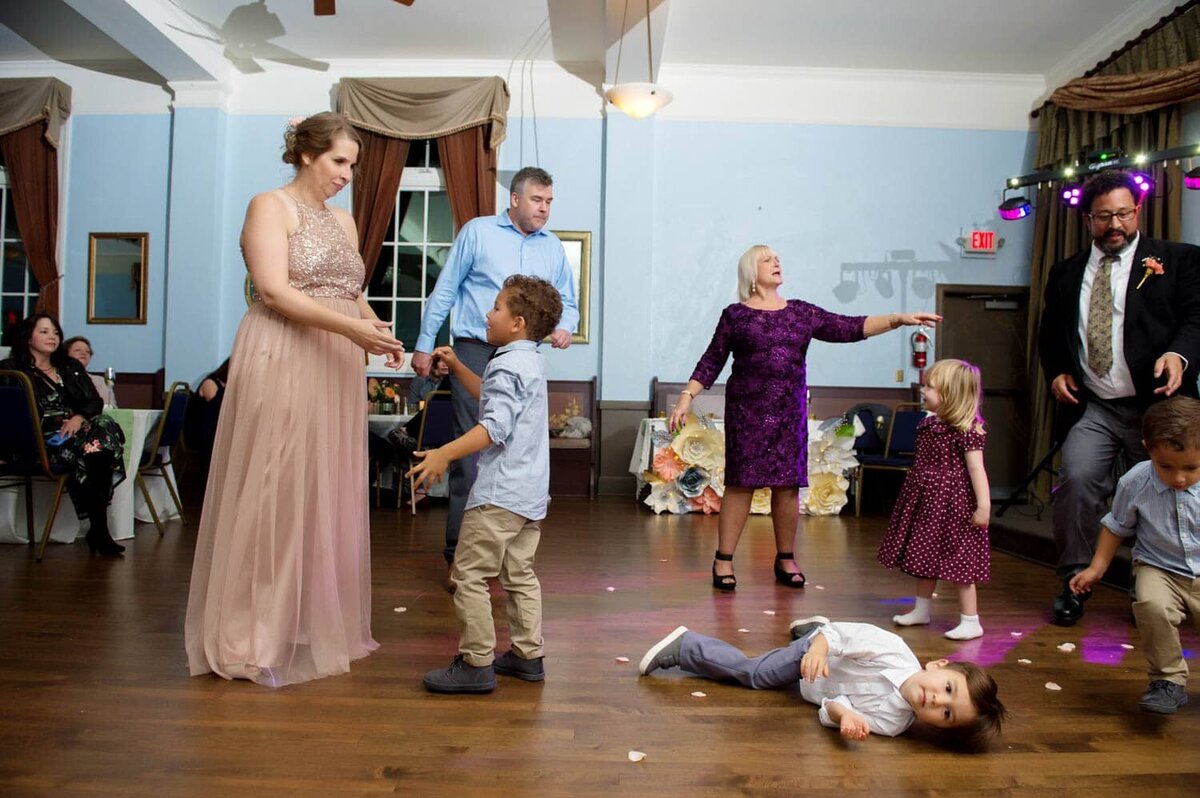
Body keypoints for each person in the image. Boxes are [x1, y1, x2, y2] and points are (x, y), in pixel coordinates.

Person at [185, 112, 405, 687]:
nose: (346, 175)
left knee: (322, 488)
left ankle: (302, 621)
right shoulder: (269, 206)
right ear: (307, 154)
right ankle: (243, 633)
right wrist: (351, 331)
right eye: (339, 161)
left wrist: (374, 327)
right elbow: (275, 292)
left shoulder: (347, 220)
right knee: (270, 488)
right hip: (282, 353)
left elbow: (349, 294)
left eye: (352, 165)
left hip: (333, 361)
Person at [671, 245, 941, 590]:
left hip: (788, 412)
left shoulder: (801, 312)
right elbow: (711, 360)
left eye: (778, 258)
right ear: (751, 273)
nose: (776, 262)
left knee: (787, 486)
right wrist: (686, 397)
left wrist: (897, 319)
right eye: (767, 259)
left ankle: (786, 557)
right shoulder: (735, 315)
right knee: (740, 485)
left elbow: (849, 327)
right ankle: (723, 559)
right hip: (747, 412)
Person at [1038, 169, 1200, 626]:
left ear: (1138, 211)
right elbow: (1051, 334)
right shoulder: (1067, 272)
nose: (1115, 225)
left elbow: (1196, 320)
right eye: (1104, 216)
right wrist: (1058, 372)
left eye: (1124, 214)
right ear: (1087, 218)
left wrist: (1178, 355)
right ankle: (1073, 582)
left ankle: (1152, 590)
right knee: (1077, 479)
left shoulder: (1179, 261)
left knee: (1163, 496)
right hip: (1096, 407)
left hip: (1159, 410)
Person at [411, 167, 579, 574]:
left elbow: (568, 303)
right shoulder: (478, 231)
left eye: (549, 201)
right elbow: (446, 288)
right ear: (516, 199)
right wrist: (422, 343)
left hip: (524, 353)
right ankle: (460, 553)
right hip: (472, 349)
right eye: (537, 200)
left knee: (517, 449)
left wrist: (564, 328)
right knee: (473, 448)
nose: (545, 208)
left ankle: (506, 553)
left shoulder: (553, 247)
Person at [409, 275, 563, 694]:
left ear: (516, 322)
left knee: (469, 574)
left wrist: (445, 453)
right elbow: (495, 402)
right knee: (519, 574)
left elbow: (494, 427)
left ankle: (476, 661)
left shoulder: (506, 362)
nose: (487, 313)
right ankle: (528, 655)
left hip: (499, 494)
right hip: (529, 495)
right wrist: (459, 367)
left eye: (496, 307)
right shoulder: (529, 359)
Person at [638, 617, 1005, 746]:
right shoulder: (892, 650)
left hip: (813, 686)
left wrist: (843, 715)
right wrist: (816, 649)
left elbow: (831, 707)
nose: (937, 701)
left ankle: (809, 627)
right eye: (948, 689)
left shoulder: (893, 725)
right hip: (816, 653)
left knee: (791, 676)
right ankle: (687, 647)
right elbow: (841, 636)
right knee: (757, 675)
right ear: (939, 665)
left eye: (946, 714)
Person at [1069, 396, 1200, 714]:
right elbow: (1116, 526)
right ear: (1148, 448)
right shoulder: (1135, 482)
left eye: (1191, 468)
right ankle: (1167, 680)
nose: (1179, 477)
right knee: (1151, 605)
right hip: (1158, 567)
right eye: (1166, 466)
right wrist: (1097, 567)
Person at [878, 359, 992, 640]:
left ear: (950, 395)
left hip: (954, 503)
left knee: (959, 560)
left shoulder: (967, 429)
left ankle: (970, 619)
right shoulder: (928, 424)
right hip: (928, 501)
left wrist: (983, 505)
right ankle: (922, 609)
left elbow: (977, 469)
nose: (922, 390)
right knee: (924, 555)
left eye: (930, 387)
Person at [1, 314, 126, 556]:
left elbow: (94, 401)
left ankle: (98, 530)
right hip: (39, 439)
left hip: (79, 434)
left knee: (100, 430)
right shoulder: (11, 370)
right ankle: (99, 530)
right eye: (44, 331)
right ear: (28, 337)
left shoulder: (70, 367)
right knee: (100, 445)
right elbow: (11, 415)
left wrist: (79, 418)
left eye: (56, 333)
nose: (52, 337)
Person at [63, 336, 118, 408]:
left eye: (87, 351)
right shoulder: (57, 378)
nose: (83, 353)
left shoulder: (100, 381)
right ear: (65, 354)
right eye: (77, 350)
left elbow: (110, 407)